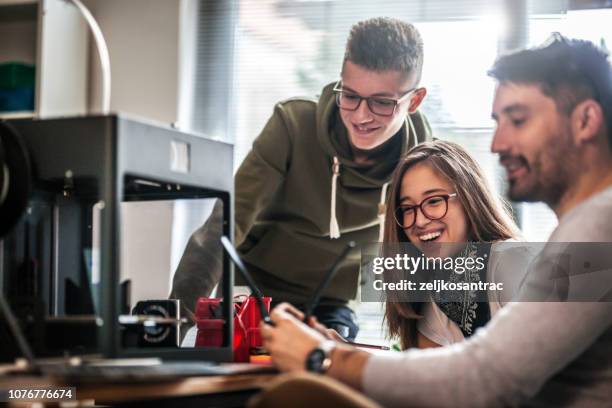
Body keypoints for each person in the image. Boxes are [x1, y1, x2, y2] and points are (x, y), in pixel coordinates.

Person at [259, 35, 612, 407]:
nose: (497, 143)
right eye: (497, 122)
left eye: (519, 120)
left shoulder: (600, 226)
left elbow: (488, 376)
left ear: (585, 120)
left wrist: (324, 358)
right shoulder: (582, 232)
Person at [171, 17, 431, 341]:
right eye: (349, 96)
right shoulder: (292, 127)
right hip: (252, 292)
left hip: (329, 306)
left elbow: (430, 259)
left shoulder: (423, 164)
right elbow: (223, 228)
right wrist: (174, 326)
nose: (361, 116)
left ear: (415, 100)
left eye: (381, 103)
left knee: (324, 364)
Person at [382, 140, 529, 350]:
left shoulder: (512, 259)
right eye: (407, 209)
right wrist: (346, 358)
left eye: (433, 201)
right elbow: (423, 377)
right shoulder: (439, 293)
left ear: (470, 197)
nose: (420, 221)